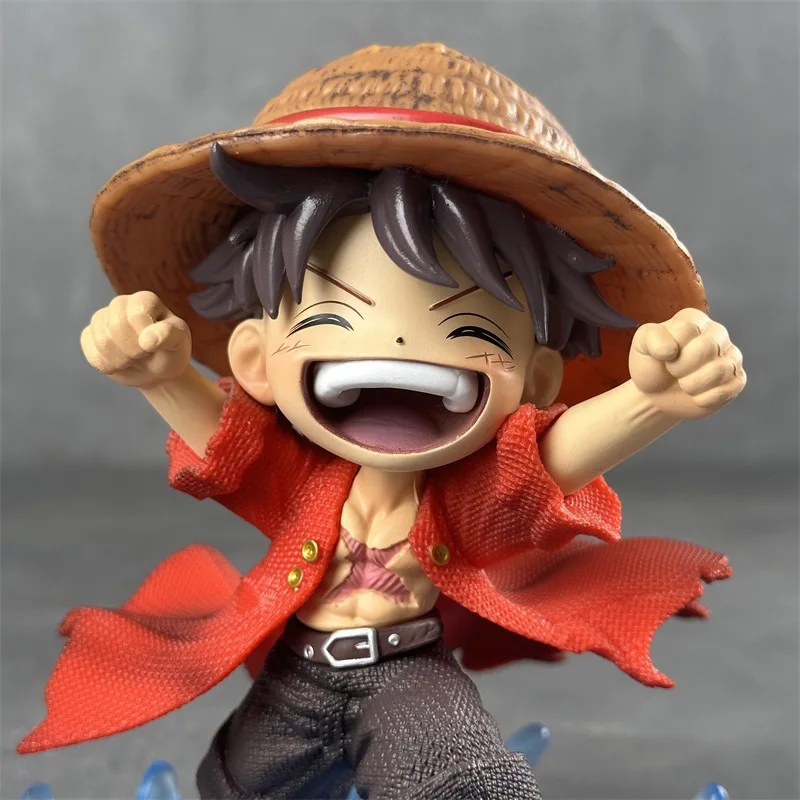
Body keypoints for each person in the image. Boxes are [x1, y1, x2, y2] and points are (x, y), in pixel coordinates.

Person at [19, 44, 744, 800]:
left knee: (466, 785)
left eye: (467, 329)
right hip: (296, 675)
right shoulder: (295, 477)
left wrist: (652, 400)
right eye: (335, 317)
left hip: (410, 676)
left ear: (535, 382)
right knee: (233, 783)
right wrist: (161, 377)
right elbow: (229, 446)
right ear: (256, 360)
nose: (395, 348)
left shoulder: (466, 494)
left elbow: (549, 463)